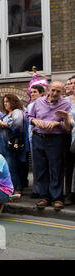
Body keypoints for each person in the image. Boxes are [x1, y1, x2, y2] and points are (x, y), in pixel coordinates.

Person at [27, 81, 71, 210]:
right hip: (38, 137)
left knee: (56, 168)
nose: (55, 93)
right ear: (48, 90)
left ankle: (57, 198)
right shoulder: (38, 102)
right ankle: (44, 197)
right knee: (41, 169)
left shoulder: (66, 104)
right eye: (53, 90)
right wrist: (35, 120)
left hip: (56, 139)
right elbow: (29, 116)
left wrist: (58, 124)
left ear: (62, 92)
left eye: (58, 91)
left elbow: (68, 127)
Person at [0, 94, 28, 195]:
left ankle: (17, 188)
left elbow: (17, 124)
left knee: (11, 167)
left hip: (10, 146)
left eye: (7, 101)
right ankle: (9, 188)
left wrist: (2, 124)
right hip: (3, 145)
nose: (5, 104)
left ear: (13, 102)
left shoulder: (17, 112)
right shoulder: (7, 114)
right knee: (6, 168)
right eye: (4, 102)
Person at [26, 84, 46, 198]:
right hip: (32, 136)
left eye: (35, 92)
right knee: (35, 165)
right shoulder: (30, 105)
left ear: (41, 93)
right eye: (31, 92)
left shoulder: (44, 104)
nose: (32, 94)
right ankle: (36, 189)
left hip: (42, 135)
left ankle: (43, 189)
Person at [63, 76, 75, 206]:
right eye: (71, 83)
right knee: (69, 167)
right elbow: (66, 125)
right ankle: (69, 195)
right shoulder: (66, 101)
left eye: (74, 83)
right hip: (68, 137)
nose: (72, 85)